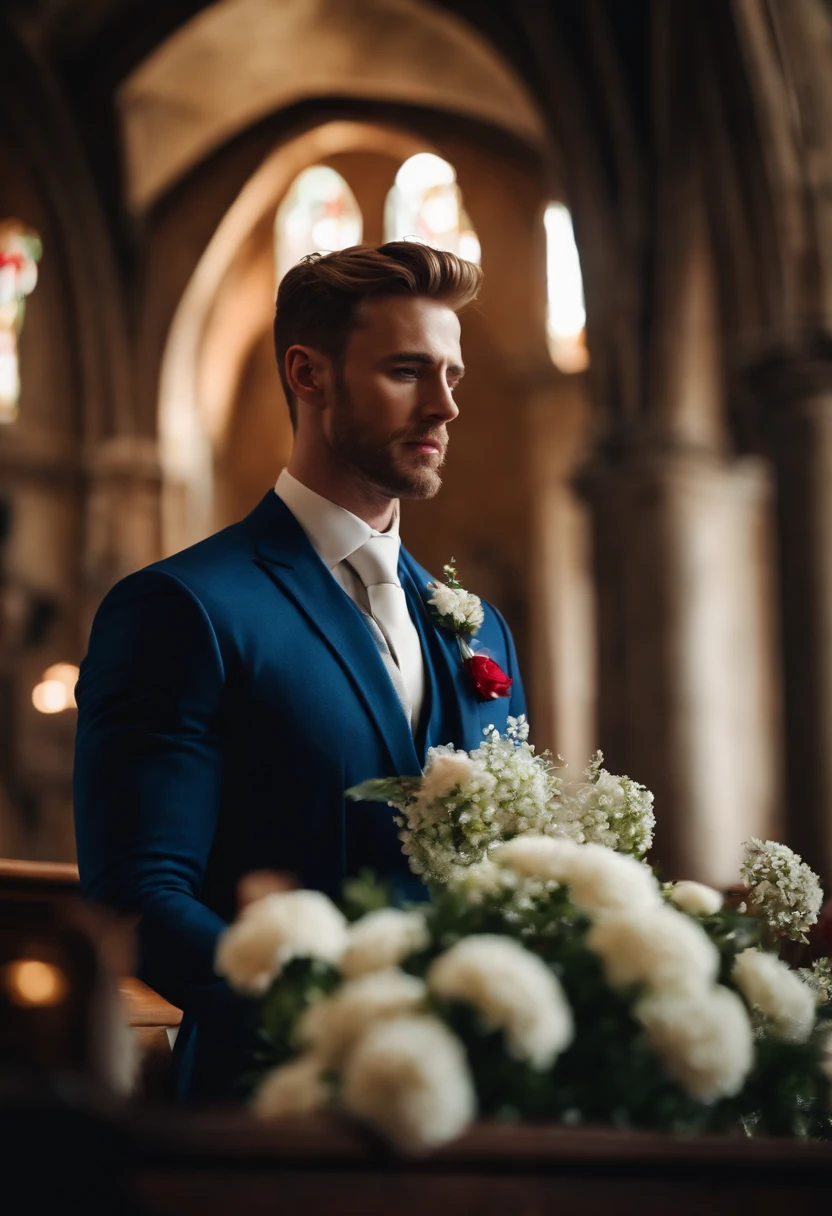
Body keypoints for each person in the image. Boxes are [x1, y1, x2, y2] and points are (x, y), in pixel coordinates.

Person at [73, 241, 526, 1100]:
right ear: (308, 374)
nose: (445, 406)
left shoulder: (482, 634)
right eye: (408, 371)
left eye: (453, 376)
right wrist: (331, 1021)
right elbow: (139, 898)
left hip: (483, 1119)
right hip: (270, 1116)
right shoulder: (185, 609)